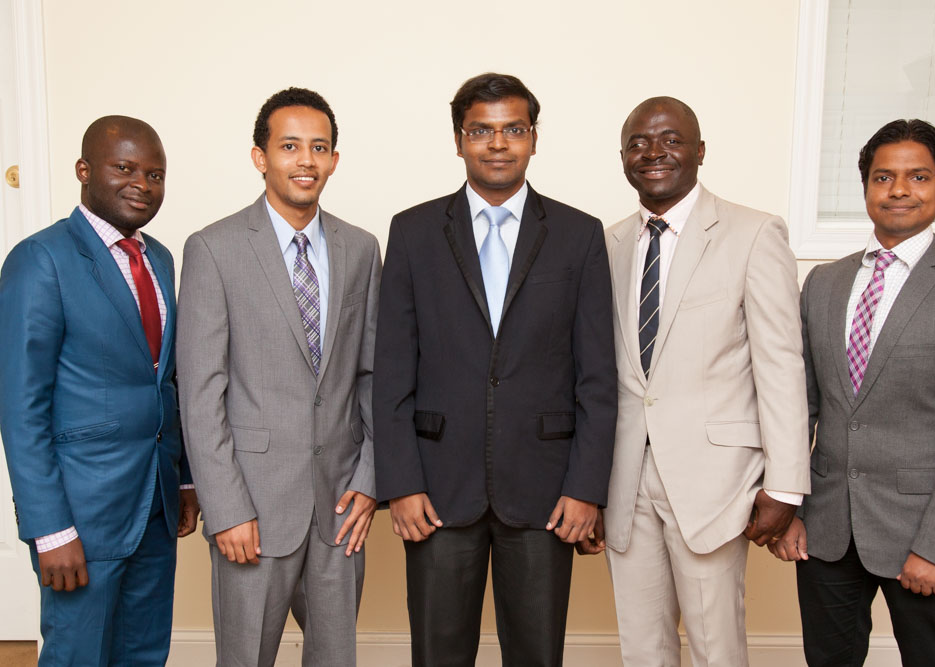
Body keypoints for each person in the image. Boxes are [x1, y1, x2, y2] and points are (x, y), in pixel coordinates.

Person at [373, 72, 617, 667]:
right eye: (481, 130)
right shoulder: (412, 231)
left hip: (545, 491)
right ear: (458, 141)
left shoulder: (579, 234)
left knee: (536, 655)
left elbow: (598, 378)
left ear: (534, 138)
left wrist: (586, 489)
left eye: (513, 129)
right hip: (434, 488)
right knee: (437, 654)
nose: (498, 143)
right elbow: (391, 371)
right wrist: (400, 483)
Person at [769, 119, 935, 666]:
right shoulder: (823, 283)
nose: (899, 189)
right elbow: (798, 407)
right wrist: (787, 508)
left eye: (918, 176)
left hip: (918, 536)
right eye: (883, 177)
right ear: (867, 188)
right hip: (823, 530)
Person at [601, 97, 810, 667]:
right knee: (642, 647)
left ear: (699, 151)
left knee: (716, 647)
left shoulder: (753, 232)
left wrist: (787, 484)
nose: (654, 152)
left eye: (670, 139)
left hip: (716, 481)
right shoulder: (608, 244)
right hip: (624, 478)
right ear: (623, 158)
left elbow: (780, 364)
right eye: (638, 142)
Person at [177, 87, 380, 666]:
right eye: (289, 146)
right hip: (253, 504)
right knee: (245, 658)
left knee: (335, 658)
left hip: (340, 506)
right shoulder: (213, 249)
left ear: (335, 160)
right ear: (259, 156)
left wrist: (368, 477)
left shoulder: (361, 249)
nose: (306, 161)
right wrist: (225, 507)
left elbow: (372, 375)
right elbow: (199, 393)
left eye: (319, 147)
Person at [0, 115, 198, 665]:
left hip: (155, 505)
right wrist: (49, 529)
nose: (143, 184)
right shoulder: (40, 260)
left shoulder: (158, 258)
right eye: (125, 168)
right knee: (78, 656)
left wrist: (182, 481)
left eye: (155, 174)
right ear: (84, 171)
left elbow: (167, 379)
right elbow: (21, 410)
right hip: (81, 516)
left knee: (142, 653)